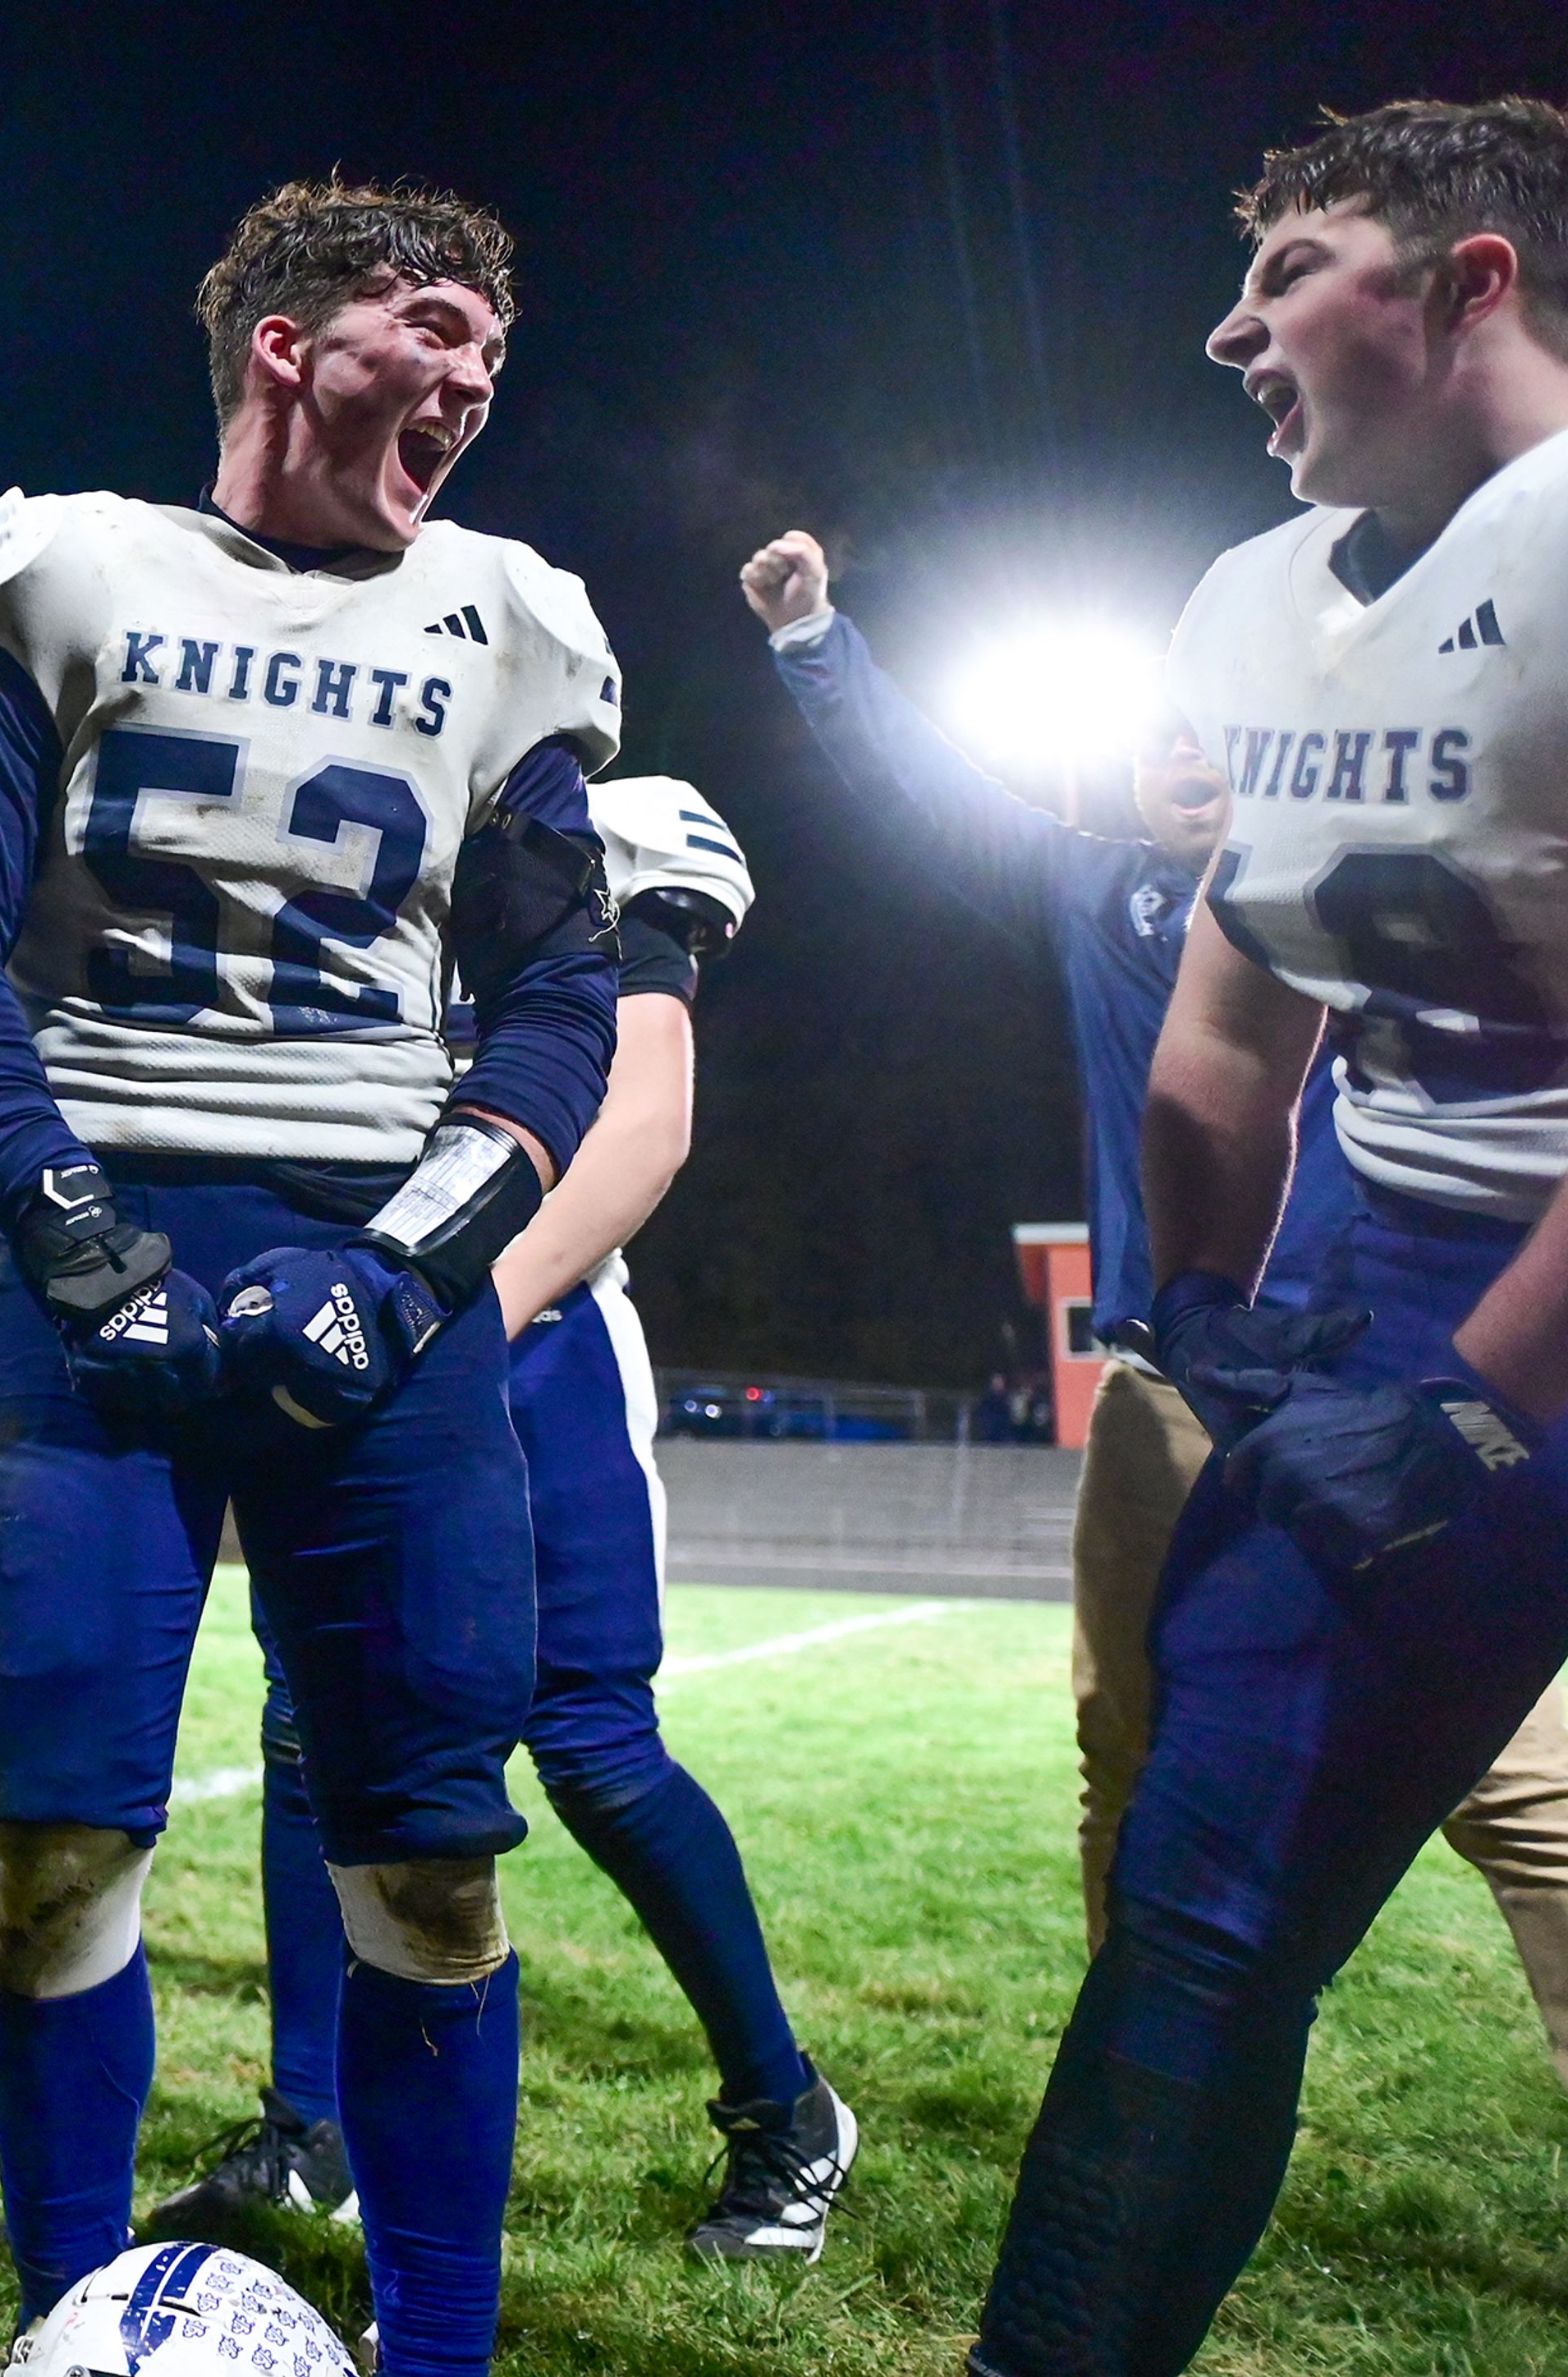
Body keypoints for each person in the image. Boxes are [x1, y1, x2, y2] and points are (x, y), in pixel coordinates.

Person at [0, 177, 623, 2376]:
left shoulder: (508, 618)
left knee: (433, 1868)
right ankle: (68, 2324)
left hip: (382, 1281)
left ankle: (441, 2347)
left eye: (495, 337)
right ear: (289, 341)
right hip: (93, 1262)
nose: (476, 370)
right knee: (56, 1845)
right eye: (431, 320)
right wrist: (76, 1233)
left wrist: (403, 1272)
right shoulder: (71, 561)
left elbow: (560, 1004)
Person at [971, 99, 1568, 2371]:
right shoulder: (1259, 599)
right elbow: (1226, 1026)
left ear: (1468, 280)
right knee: (1200, 1918)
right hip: (1403, 1282)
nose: (1231, 328)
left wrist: (1473, 1402)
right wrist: (1218, 1315)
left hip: (1514, 1318)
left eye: (1293, 264)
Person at [740, 515, 1568, 2056]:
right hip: (1172, 1393)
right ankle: (1148, 2089)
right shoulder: (1093, 892)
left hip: (1388, 1389)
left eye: (1220, 728)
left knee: (1526, 1788)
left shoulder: (1400, 873)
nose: (1187, 752)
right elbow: (925, 802)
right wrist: (816, 645)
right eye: (1160, 734)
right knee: (1126, 1745)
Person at [158, 778, 858, 2265]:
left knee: (592, 1745)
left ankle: (786, 2110)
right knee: (308, 1728)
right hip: (361, 1318)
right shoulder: (356, 818)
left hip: (519, 1340)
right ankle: (315, 2126)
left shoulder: (606, 823)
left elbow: (645, 1117)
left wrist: (450, 1309)